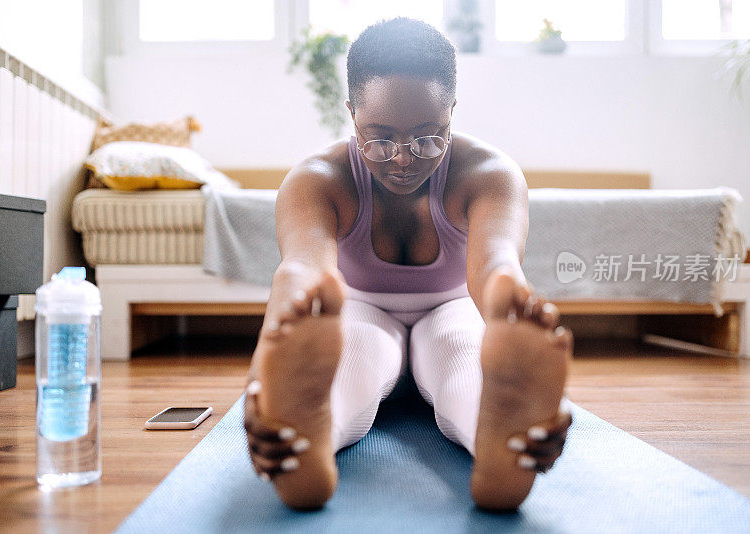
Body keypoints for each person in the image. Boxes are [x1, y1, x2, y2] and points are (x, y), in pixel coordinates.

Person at [243, 17, 573, 511]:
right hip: (358, 310)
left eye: (428, 136)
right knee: (353, 354)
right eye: (378, 137)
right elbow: (300, 275)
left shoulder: (489, 173)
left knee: (461, 351)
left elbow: (494, 269)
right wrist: (261, 384)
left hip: (453, 307)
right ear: (351, 113)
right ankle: (302, 435)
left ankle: (502, 437)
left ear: (452, 112)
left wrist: (515, 315)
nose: (403, 159)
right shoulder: (317, 179)